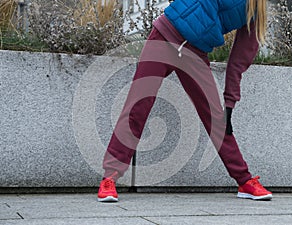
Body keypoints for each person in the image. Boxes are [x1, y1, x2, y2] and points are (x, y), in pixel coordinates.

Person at [97, 0, 272, 202]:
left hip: (195, 53)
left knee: (218, 120)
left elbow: (239, 61)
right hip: (164, 36)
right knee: (138, 106)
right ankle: (109, 177)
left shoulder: (256, 9)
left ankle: (244, 181)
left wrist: (230, 102)